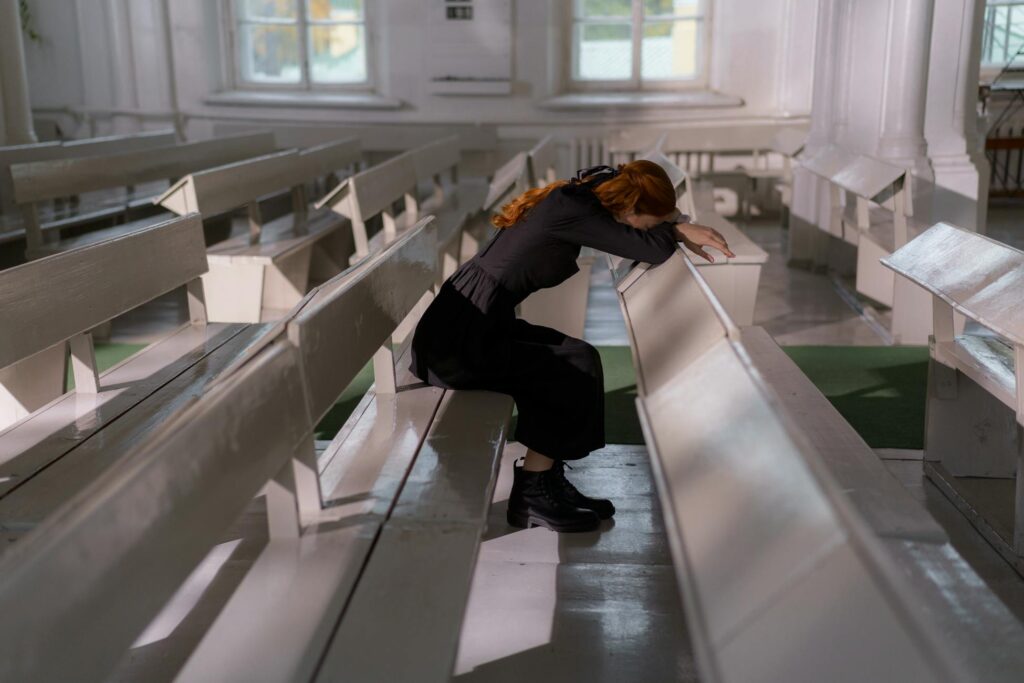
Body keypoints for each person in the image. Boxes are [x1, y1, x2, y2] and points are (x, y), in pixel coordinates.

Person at [410, 160, 734, 533]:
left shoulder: (580, 200)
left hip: (471, 324)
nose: (654, 229)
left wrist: (670, 223)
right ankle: (533, 495)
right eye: (653, 221)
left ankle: (546, 481)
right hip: (458, 343)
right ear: (632, 209)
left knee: (578, 357)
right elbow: (653, 250)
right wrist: (676, 229)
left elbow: (639, 237)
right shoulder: (576, 209)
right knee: (569, 366)